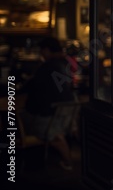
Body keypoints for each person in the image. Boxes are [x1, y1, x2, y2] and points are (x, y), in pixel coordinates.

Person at [22, 37, 76, 170]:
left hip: (49, 116)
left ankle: (66, 161)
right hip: (66, 112)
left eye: (41, 50)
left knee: (17, 119)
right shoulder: (65, 63)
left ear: (46, 50)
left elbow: (33, 88)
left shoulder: (47, 66)